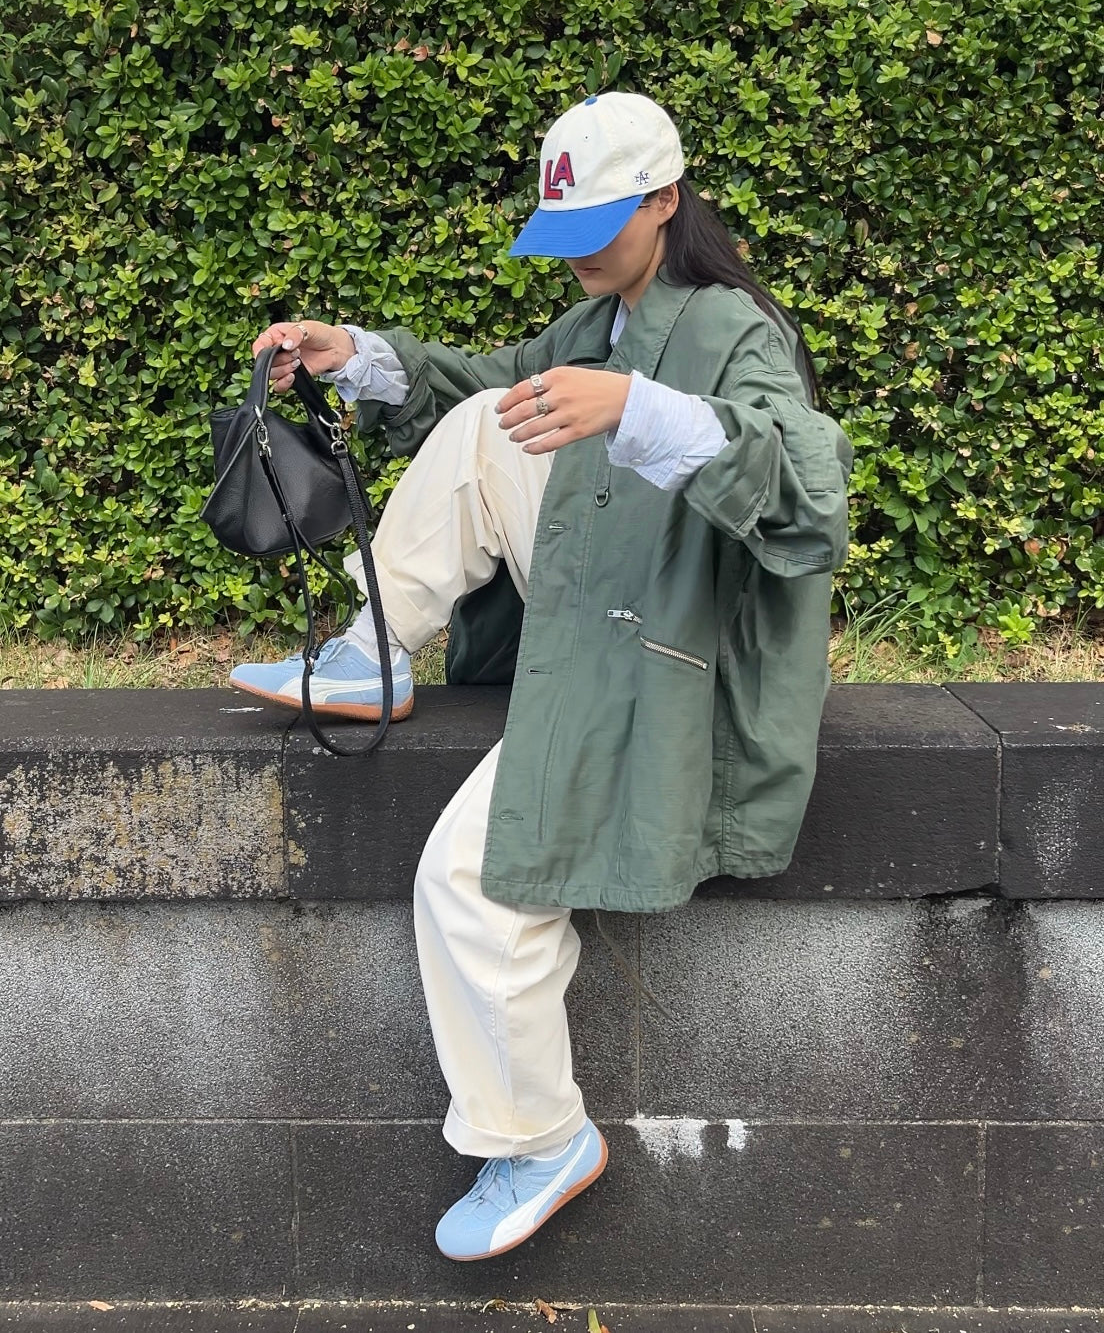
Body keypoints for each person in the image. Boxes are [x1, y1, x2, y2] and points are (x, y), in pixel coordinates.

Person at [230, 91, 853, 1261]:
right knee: (486, 419)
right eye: (563, 232)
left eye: (597, 228)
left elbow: (811, 493)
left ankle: (541, 1137)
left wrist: (642, 408)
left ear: (665, 202)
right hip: (606, 595)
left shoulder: (735, 331)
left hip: (670, 652)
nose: (576, 256)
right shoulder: (602, 318)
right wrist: (356, 356)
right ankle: (374, 652)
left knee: (470, 880)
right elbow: (488, 385)